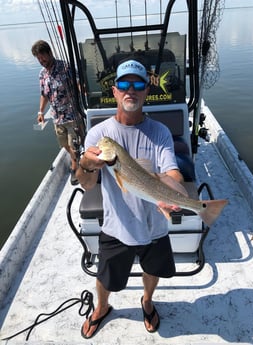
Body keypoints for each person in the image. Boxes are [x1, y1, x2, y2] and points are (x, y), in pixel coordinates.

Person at [76, 59, 184, 338]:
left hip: (154, 224)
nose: (130, 90)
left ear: (147, 90)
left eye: (137, 84)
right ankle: (102, 307)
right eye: (124, 84)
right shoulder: (99, 134)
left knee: (153, 270)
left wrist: (173, 195)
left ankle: (147, 302)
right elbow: (87, 185)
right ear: (114, 91)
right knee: (105, 277)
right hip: (116, 225)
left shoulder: (159, 132)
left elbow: (171, 170)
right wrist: (87, 165)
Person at [31, 40, 79, 185]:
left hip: (72, 116)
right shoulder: (42, 74)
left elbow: (79, 84)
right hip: (57, 118)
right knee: (64, 145)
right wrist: (40, 112)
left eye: (43, 57)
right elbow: (44, 95)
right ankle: (75, 159)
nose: (41, 61)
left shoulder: (65, 67)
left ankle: (75, 167)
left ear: (50, 53)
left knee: (73, 145)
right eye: (38, 59)